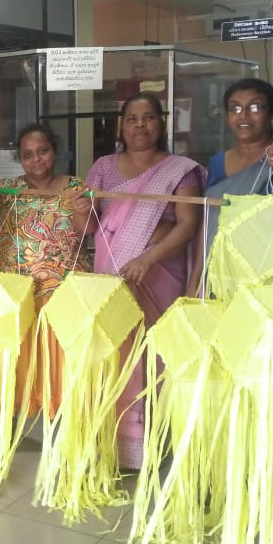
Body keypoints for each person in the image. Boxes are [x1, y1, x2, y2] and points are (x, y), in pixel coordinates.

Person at [86, 93, 205, 469]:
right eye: (133, 118)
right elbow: (91, 227)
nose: (140, 125)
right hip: (111, 275)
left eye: (149, 117)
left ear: (161, 123)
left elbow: (188, 224)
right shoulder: (103, 167)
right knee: (114, 356)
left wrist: (146, 258)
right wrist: (78, 210)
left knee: (151, 358)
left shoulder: (180, 170)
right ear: (121, 125)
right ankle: (112, 445)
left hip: (159, 275)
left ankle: (150, 446)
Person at [0, 123, 92, 415]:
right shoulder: (8, 190)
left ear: (54, 152)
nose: (36, 160)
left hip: (60, 293)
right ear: (21, 159)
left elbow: (89, 231)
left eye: (42, 151)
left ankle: (61, 424)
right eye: (28, 154)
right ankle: (19, 417)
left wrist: (82, 210)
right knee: (21, 362)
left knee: (59, 362)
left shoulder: (74, 187)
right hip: (18, 294)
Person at [195, 78, 273, 290]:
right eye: (235, 108)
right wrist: (196, 282)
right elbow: (209, 225)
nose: (243, 115)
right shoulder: (218, 162)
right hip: (224, 275)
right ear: (227, 117)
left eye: (255, 107)